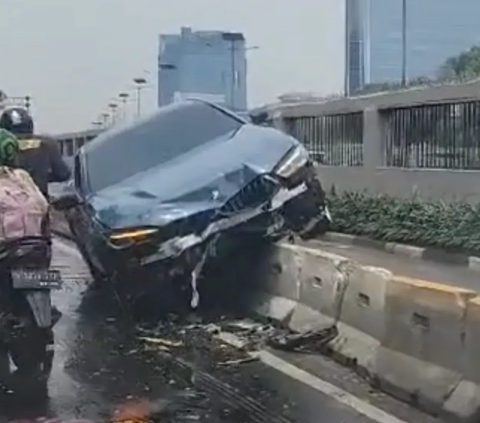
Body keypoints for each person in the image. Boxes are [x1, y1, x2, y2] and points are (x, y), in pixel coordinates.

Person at [0, 106, 71, 199]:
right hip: (40, 201)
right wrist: (42, 177)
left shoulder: (4, 146)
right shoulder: (47, 143)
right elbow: (63, 174)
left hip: (6, 203)